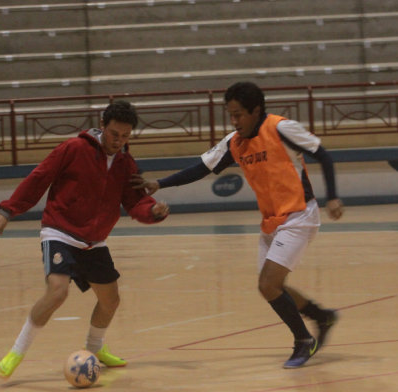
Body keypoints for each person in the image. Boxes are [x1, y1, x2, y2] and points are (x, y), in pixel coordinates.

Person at [131, 82, 344, 369]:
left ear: (256, 111)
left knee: (268, 285)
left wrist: (332, 197)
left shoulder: (281, 128)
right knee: (274, 286)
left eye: (239, 114)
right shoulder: (234, 142)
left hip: (299, 215)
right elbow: (201, 168)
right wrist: (160, 183)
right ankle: (321, 316)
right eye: (230, 115)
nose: (234, 121)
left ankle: (304, 340)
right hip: (271, 221)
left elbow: (323, 155)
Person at [0, 100, 169, 379]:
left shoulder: (125, 164)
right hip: (60, 231)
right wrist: (7, 210)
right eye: (114, 134)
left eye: (126, 136)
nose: (119, 141)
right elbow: (39, 178)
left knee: (111, 300)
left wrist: (152, 211)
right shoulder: (73, 149)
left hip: (94, 241)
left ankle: (95, 348)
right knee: (58, 291)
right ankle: (16, 352)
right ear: (103, 126)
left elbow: (135, 202)